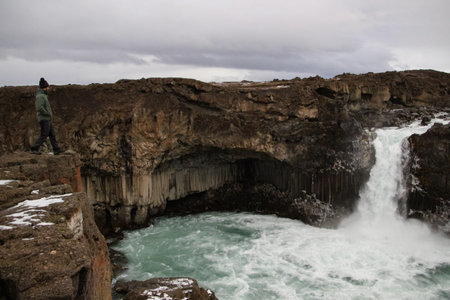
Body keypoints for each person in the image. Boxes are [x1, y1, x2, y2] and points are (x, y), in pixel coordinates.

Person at [30, 78, 64, 155]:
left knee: (52, 134)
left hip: (47, 118)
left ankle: (56, 149)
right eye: (48, 87)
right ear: (45, 87)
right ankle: (34, 148)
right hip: (44, 118)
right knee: (44, 134)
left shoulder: (44, 95)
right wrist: (47, 113)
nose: (48, 88)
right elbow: (39, 108)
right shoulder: (40, 96)